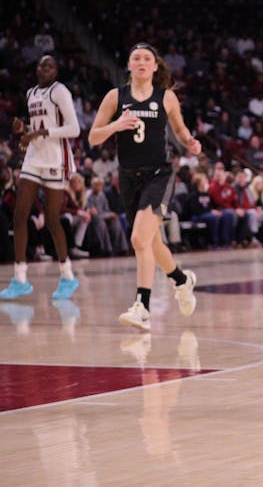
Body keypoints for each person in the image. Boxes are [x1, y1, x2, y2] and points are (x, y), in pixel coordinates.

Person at [88, 43, 200, 331]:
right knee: (151, 243)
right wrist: (116, 125)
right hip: (127, 177)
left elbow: (179, 129)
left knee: (139, 239)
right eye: (135, 57)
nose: (141, 61)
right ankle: (181, 280)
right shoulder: (116, 97)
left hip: (159, 175)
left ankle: (142, 307)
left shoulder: (166, 97)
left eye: (146, 58)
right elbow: (93, 138)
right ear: (129, 65)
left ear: (154, 67)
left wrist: (190, 141)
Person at [1, 55, 82, 301]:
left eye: (49, 65)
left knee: (53, 221)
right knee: (20, 215)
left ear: (56, 70)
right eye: (40, 65)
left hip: (56, 159)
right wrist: (23, 130)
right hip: (34, 158)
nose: (43, 68)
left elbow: (74, 129)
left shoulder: (60, 92)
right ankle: (20, 278)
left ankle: (67, 275)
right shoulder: (31, 93)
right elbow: (35, 128)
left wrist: (40, 131)